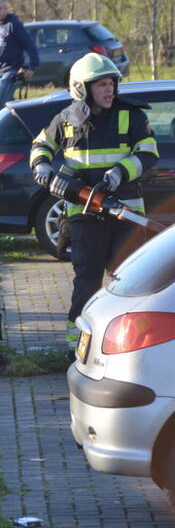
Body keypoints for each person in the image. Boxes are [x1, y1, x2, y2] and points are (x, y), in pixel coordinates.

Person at [29, 52, 158, 337]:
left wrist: (119, 173)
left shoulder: (131, 115)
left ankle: (130, 341)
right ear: (82, 88)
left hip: (126, 214)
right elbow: (40, 145)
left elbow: (149, 151)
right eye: (101, 84)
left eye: (111, 83)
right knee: (86, 281)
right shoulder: (64, 119)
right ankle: (76, 344)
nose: (109, 89)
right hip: (84, 215)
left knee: (129, 282)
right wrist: (41, 166)